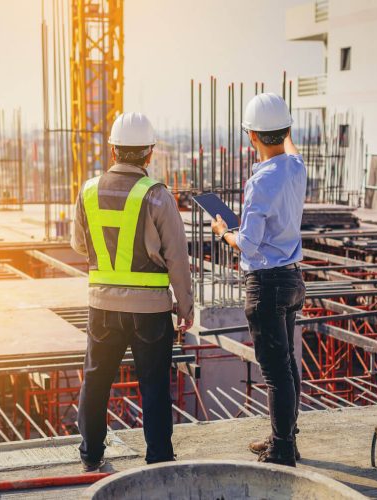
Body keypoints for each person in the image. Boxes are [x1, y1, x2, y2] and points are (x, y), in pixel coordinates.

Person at [71, 112, 194, 471]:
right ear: (149, 153)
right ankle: (158, 458)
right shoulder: (157, 196)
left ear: (113, 149)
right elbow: (178, 258)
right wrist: (185, 307)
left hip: (102, 306)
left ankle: (91, 452)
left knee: (96, 379)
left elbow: (80, 245)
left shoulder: (88, 190)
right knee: (154, 385)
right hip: (150, 311)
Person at [211, 93, 306, 467]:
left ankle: (282, 448)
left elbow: (248, 245)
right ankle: (285, 437)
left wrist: (222, 230)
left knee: (276, 371)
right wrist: (284, 130)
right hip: (291, 280)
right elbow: (291, 150)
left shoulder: (261, 180)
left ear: (251, 136)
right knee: (286, 365)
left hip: (266, 284)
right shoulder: (296, 168)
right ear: (284, 132)